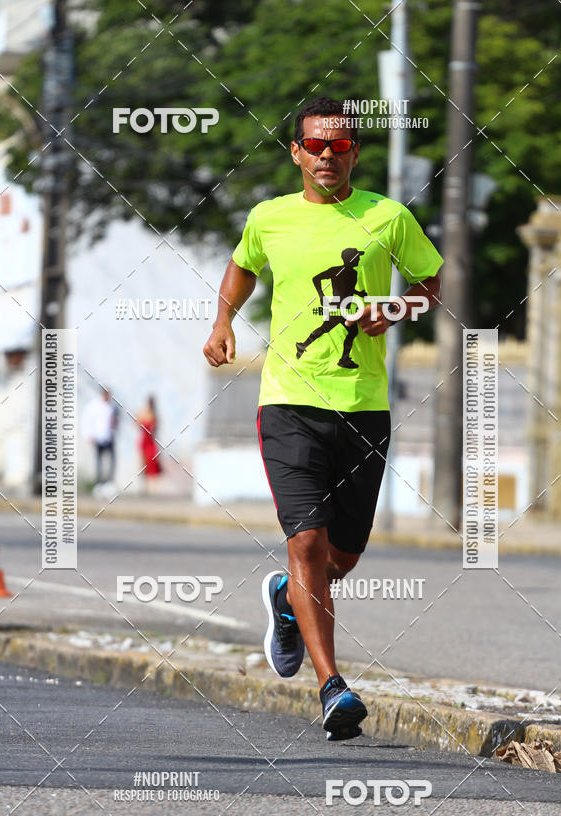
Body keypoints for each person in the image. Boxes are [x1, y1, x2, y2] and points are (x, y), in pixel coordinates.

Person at [203, 96, 443, 741]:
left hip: (364, 405)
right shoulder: (269, 218)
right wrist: (223, 319)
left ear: (354, 153)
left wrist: (395, 310)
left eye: (340, 146)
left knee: (338, 560)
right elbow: (242, 265)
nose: (327, 156)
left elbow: (431, 281)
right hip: (288, 403)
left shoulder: (388, 217)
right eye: (316, 145)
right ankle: (332, 686)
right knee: (305, 540)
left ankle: (286, 598)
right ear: (296, 153)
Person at [84, 387, 118, 492]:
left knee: (111, 461)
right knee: (99, 461)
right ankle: (99, 484)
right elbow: (88, 420)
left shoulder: (112, 406)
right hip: (98, 437)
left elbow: (114, 421)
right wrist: (89, 434)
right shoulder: (94, 405)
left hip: (109, 437)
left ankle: (109, 484)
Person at [137, 395, 162, 483]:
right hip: (144, 441)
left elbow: (156, 427)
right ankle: (144, 484)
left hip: (151, 441)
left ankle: (152, 483)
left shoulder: (154, 414)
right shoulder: (144, 413)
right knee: (144, 463)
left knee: (153, 462)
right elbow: (137, 423)